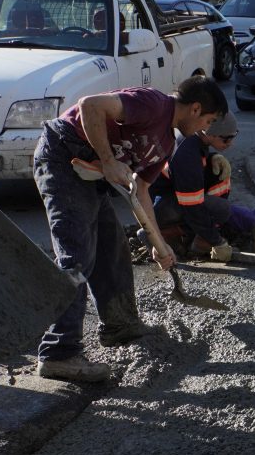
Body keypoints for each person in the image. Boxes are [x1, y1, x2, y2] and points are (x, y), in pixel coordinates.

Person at [33, 76, 227, 382]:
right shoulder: (152, 104)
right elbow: (90, 106)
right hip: (63, 155)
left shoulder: (166, 142)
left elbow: (143, 191)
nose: (206, 128)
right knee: (77, 256)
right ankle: (59, 353)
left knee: (112, 250)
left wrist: (158, 241)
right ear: (195, 108)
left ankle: (119, 325)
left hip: (90, 172)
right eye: (209, 119)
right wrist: (109, 161)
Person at [148, 110, 255, 262]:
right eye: (226, 139)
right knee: (222, 208)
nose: (230, 144)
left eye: (233, 136)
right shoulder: (188, 154)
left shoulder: (195, 139)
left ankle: (195, 238)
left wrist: (211, 157)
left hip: (168, 197)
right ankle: (162, 234)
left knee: (219, 175)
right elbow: (192, 206)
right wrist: (217, 241)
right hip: (158, 207)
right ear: (209, 133)